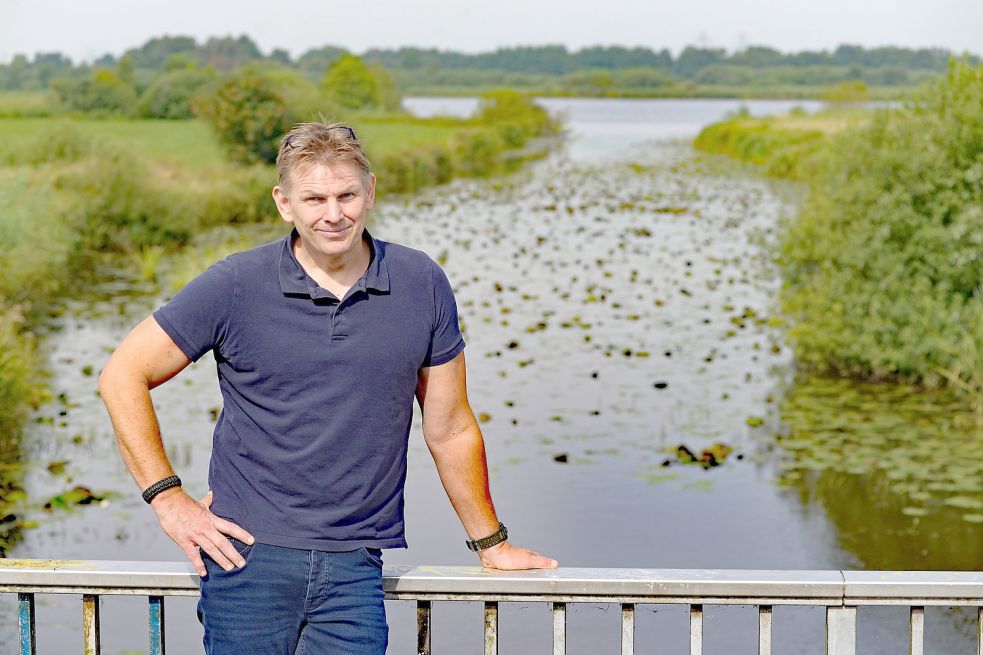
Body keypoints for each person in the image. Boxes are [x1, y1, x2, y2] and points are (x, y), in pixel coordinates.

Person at [98, 121, 558, 654]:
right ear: (284, 203)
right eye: (314, 198)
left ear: (371, 191)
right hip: (247, 558)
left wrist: (491, 545)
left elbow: (450, 428)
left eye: (346, 195)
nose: (333, 213)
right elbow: (122, 375)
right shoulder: (235, 284)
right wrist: (168, 498)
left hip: (356, 564)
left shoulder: (420, 281)